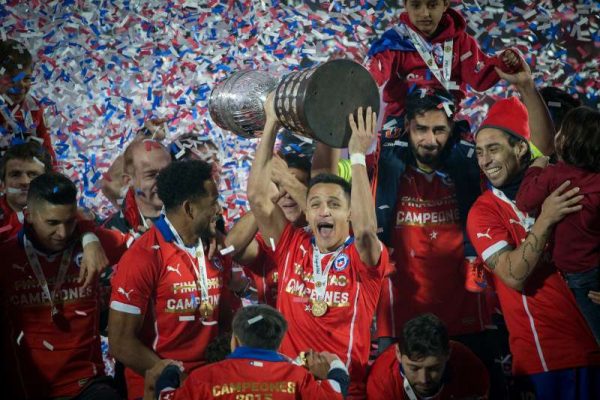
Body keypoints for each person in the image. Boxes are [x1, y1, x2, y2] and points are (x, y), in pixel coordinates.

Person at [247, 93, 388, 398]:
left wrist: (358, 156)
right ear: (307, 213)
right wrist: (271, 121)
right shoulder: (290, 245)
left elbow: (366, 232)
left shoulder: (361, 257)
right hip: (288, 389)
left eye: (334, 204)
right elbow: (259, 199)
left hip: (347, 389)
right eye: (316, 204)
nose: (324, 211)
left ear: (349, 213)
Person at [467, 87, 600, 397]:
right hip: (549, 358)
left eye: (494, 149)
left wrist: (526, 86)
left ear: (521, 150)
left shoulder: (564, 181)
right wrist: (547, 218)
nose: (485, 160)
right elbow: (513, 275)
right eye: (479, 151)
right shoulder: (484, 211)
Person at [108, 160, 232, 399]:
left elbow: (224, 322)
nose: (219, 210)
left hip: (210, 383)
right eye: (213, 202)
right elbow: (121, 343)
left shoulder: (214, 248)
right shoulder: (143, 256)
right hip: (162, 385)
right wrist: (181, 382)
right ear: (189, 209)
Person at [0, 172, 129, 399]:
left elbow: (150, 243)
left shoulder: (95, 244)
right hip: (27, 389)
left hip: (88, 385)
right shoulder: (6, 256)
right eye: (52, 223)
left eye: (70, 222)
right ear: (28, 216)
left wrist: (211, 235)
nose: (62, 233)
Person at [366, 0, 520, 136]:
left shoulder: (462, 42)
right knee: (391, 165)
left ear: (445, 4)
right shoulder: (395, 40)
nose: (425, 13)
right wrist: (366, 79)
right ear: (405, 5)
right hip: (400, 121)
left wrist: (504, 61)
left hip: (444, 123)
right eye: (416, 5)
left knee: (464, 159)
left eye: (432, 5)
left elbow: (479, 78)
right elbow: (377, 70)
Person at [515, 106, 600, 343]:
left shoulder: (555, 175)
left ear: (565, 141)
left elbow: (524, 201)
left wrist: (535, 167)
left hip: (579, 278)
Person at [144, 305, 349, 400]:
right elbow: (337, 391)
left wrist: (170, 371)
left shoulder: (204, 378)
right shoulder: (298, 378)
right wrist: (336, 363)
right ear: (278, 344)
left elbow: (165, 396)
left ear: (235, 340)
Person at [0, 142, 112, 287]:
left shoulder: (77, 218)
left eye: (33, 174)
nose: (25, 182)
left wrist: (90, 238)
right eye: (16, 174)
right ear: (2, 184)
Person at [225, 152, 312, 306]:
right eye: (278, 187)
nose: (286, 194)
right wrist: (265, 201)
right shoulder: (266, 242)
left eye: (295, 184)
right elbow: (230, 249)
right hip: (277, 329)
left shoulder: (330, 236)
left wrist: (287, 181)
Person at [367, 313, 489, 400]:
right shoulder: (381, 382)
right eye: (414, 368)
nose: (423, 379)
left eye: (433, 368)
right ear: (398, 354)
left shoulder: (469, 367)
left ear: (448, 353)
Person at [0, 39, 56, 161]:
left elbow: (47, 151)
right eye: (11, 79)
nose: (20, 86)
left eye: (26, 78)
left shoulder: (34, 108)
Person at [103, 138, 171, 235]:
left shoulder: (193, 210)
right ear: (129, 181)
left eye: (167, 172)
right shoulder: (115, 229)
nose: (164, 181)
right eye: (151, 175)